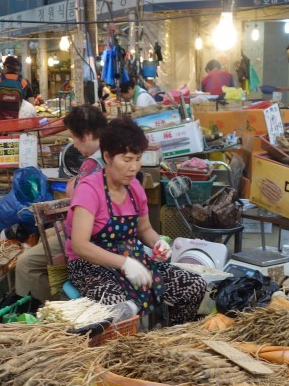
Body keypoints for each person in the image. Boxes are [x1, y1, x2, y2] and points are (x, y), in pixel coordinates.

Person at [66, 117, 206, 325]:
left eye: (138, 159)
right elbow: (80, 245)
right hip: (90, 265)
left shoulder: (135, 188)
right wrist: (124, 264)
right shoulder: (89, 190)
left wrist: (158, 243)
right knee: (119, 306)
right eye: (127, 159)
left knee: (194, 285)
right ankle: (123, 352)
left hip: (131, 257)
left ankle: (171, 338)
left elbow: (145, 228)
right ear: (107, 157)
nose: (133, 167)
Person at [15, 106, 108, 301]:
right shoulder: (113, 153)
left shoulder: (92, 164)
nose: (74, 145)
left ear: (88, 135)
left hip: (91, 237)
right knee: (44, 236)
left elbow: (81, 208)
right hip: (103, 232)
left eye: (74, 137)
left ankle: (55, 309)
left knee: (25, 263)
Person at [0, 56, 32, 120]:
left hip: (1, 120)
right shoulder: (24, 81)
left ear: (6, 67)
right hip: (18, 120)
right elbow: (31, 103)